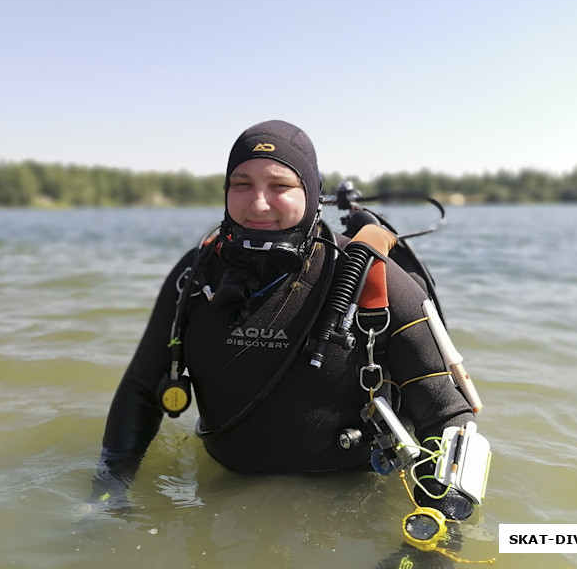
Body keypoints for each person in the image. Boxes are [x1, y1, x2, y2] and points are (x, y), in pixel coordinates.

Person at [96, 120, 488, 550]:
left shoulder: (374, 279)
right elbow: (140, 388)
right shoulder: (196, 275)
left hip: (346, 512)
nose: (259, 203)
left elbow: (446, 415)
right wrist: (108, 491)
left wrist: (440, 534)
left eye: (280, 185)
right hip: (221, 509)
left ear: (311, 194)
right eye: (241, 184)